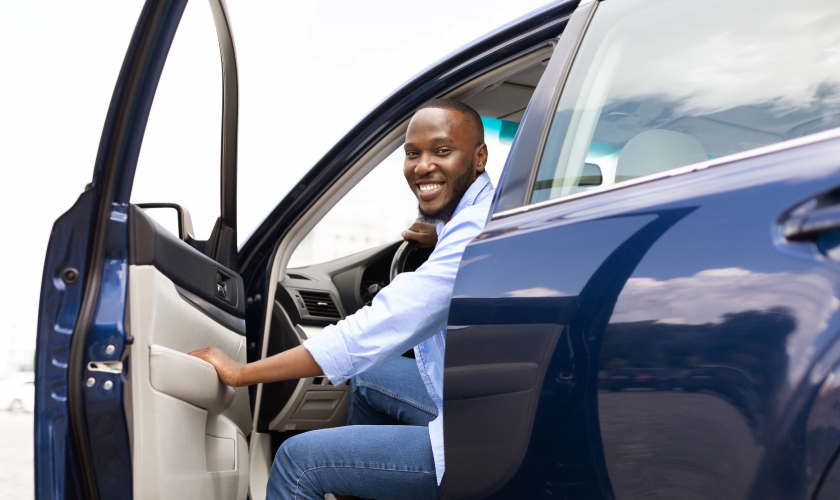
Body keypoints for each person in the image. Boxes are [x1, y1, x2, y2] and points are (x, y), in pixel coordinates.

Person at [190, 98, 494, 500]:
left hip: (479, 437)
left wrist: (240, 373)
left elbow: (367, 333)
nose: (422, 166)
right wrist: (441, 238)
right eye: (412, 154)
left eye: (441, 151)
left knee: (298, 462)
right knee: (369, 377)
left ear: (479, 157)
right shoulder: (482, 215)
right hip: (482, 401)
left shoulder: (471, 235)